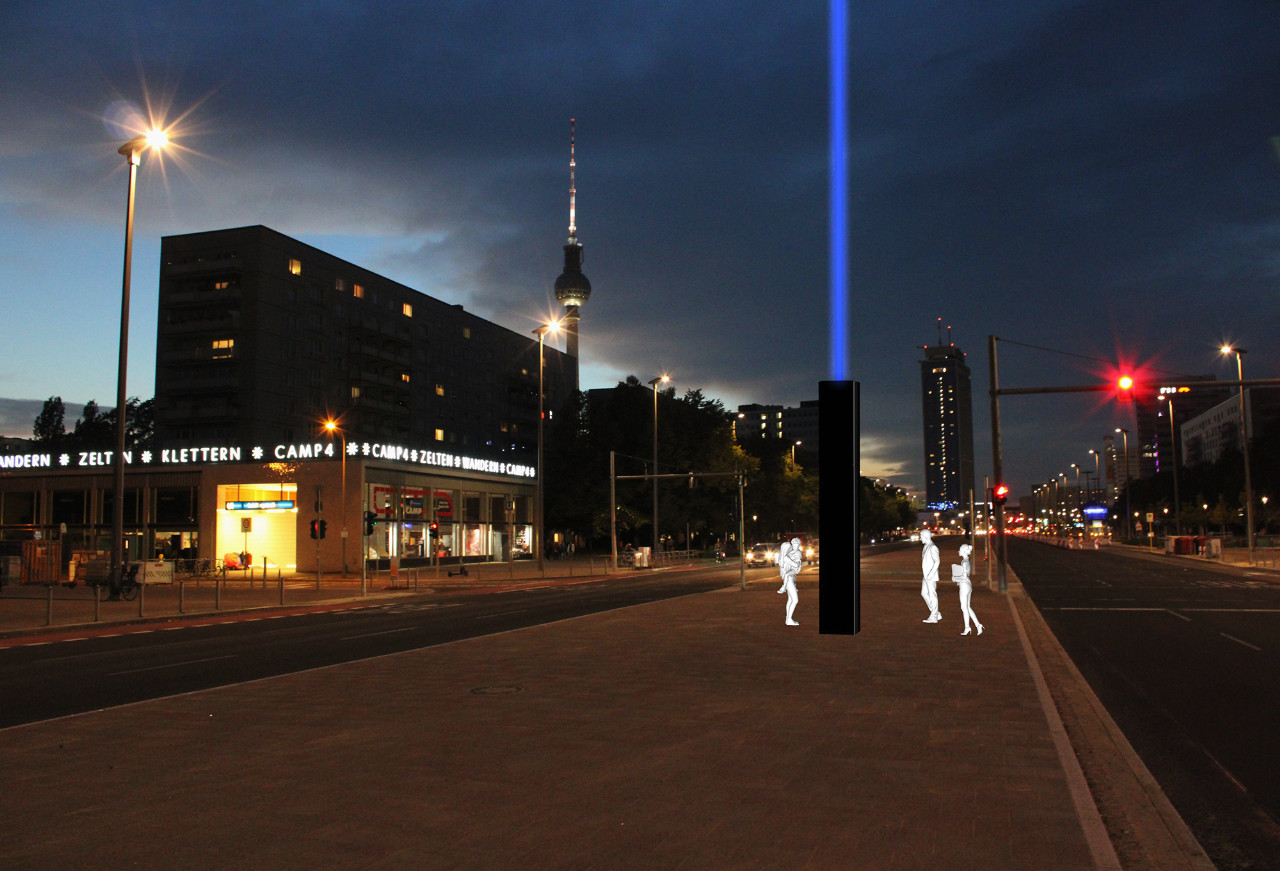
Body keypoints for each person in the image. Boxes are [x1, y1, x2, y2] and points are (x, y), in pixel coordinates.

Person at [953, 543, 984, 635]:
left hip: (964, 585)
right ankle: (978, 625)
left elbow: (964, 575)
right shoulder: (966, 561)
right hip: (968, 585)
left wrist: (955, 578)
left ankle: (967, 627)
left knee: (964, 607)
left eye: (960, 550)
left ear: (963, 551)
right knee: (967, 606)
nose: (958, 551)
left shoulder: (964, 562)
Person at [777, 537, 802, 625]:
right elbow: (795, 565)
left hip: (792, 578)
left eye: (796, 545)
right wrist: (794, 564)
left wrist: (795, 564)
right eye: (793, 545)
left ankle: (788, 619)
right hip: (789, 579)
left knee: (790, 599)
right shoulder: (786, 557)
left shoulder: (795, 553)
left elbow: (797, 565)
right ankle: (789, 619)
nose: (794, 547)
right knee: (795, 600)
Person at [920, 530, 941, 623]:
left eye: (921, 536)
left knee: (932, 595)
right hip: (926, 575)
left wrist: (931, 574)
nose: (920, 538)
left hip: (930, 575)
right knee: (924, 593)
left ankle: (934, 616)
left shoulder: (933, 547)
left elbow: (937, 561)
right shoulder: (926, 546)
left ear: (926, 537)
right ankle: (936, 613)